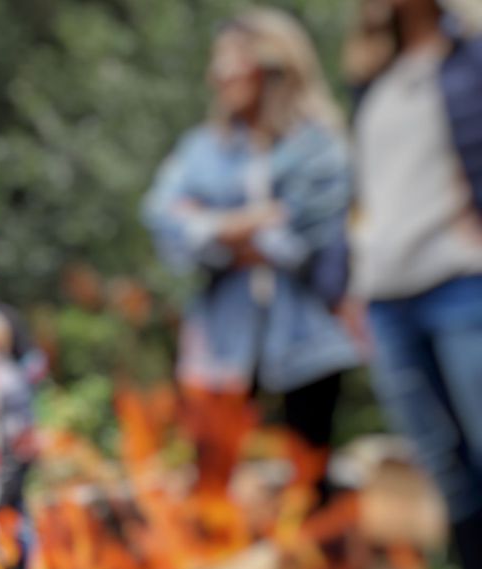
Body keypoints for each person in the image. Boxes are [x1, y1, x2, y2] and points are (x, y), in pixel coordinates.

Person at [143, 9, 359, 505]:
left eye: (230, 63)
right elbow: (163, 220)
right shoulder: (203, 148)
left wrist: (216, 226)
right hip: (222, 342)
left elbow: (311, 241)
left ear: (272, 67)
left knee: (309, 489)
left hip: (310, 342)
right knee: (211, 489)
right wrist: (258, 220)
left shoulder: (319, 147)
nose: (217, 76)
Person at [346, 0, 482, 569]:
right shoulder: (374, 77)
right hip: (389, 302)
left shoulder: (469, 58)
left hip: (461, 288)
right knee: (451, 480)